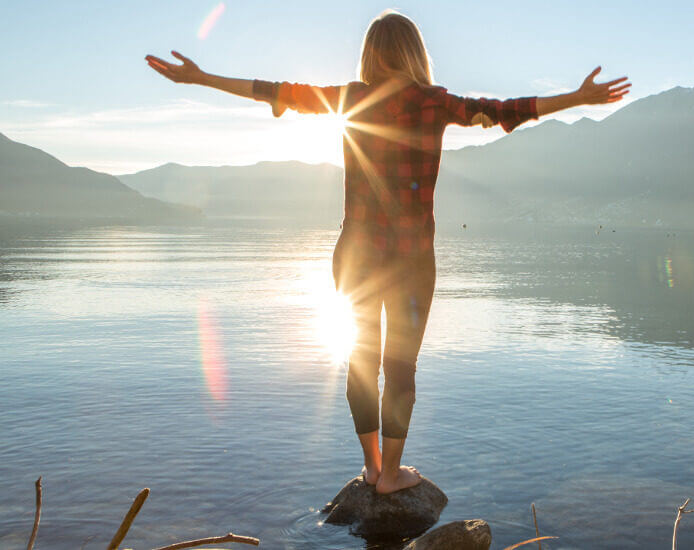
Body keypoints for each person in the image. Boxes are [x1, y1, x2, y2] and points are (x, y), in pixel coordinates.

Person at [146, 9, 630, 494]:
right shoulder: (435, 102)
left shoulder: (350, 99)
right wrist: (578, 98)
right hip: (412, 259)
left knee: (360, 359)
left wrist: (201, 78)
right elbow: (505, 111)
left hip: (355, 253)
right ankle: (392, 475)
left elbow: (274, 91)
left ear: (370, 54)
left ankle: (373, 467)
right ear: (416, 53)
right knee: (401, 367)